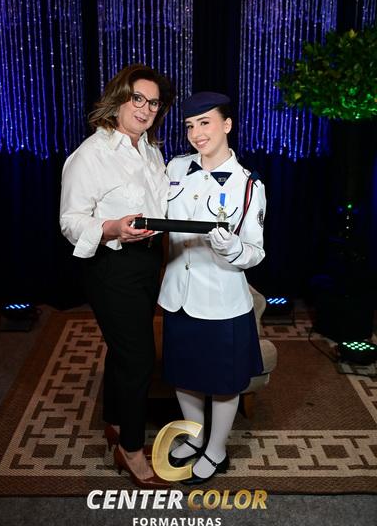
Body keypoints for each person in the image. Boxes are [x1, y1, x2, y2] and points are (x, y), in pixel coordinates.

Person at [59, 63, 175, 489]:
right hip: (112, 265)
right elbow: (70, 220)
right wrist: (111, 228)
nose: (146, 109)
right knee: (139, 357)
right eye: (138, 98)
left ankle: (112, 420)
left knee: (125, 350)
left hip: (147, 261)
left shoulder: (152, 151)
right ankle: (131, 449)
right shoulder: (91, 154)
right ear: (120, 99)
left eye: (154, 103)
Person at [158, 91, 266, 484]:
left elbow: (255, 252)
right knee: (184, 375)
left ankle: (216, 449)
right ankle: (195, 436)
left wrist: (232, 247)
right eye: (190, 125)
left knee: (223, 384)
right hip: (177, 294)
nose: (196, 133)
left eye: (205, 123)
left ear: (227, 125)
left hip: (221, 301)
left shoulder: (248, 184)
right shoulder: (175, 167)